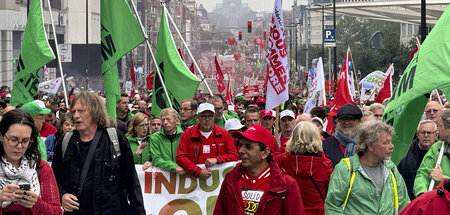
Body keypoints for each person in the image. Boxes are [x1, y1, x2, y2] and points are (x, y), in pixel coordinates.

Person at [52, 92, 145, 214]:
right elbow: (54, 180)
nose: (76, 116)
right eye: (73, 111)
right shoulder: (65, 142)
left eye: (81, 111)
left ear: (94, 111)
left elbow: (132, 184)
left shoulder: (116, 139)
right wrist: (62, 196)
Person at [214, 124, 305, 215]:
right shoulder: (231, 179)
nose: (241, 150)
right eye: (241, 145)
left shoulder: (286, 185)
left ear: (265, 153)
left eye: (248, 147)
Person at [325, 120, 410, 214]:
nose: (392, 146)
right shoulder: (346, 169)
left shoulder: (391, 168)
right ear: (371, 146)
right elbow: (332, 207)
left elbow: (404, 204)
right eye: (386, 142)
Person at [0, 109, 62, 214]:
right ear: (1, 136)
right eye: (13, 140)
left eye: (25, 141)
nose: (19, 146)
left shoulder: (42, 168)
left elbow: (57, 212)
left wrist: (36, 204)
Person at [275, 122, 332, 215]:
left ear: (293, 138)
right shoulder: (325, 164)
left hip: (291, 211)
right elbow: (329, 192)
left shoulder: (282, 160)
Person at [176, 103, 239, 179]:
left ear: (214, 117)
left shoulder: (223, 134)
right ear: (198, 117)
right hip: (193, 181)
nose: (207, 119)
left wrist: (217, 159)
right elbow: (180, 157)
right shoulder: (188, 133)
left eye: (210, 116)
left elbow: (234, 155)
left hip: (217, 181)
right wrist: (197, 171)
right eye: (203, 116)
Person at [397, 120, 438, 200]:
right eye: (423, 132)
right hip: (409, 199)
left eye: (429, 133)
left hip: (434, 199)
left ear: (436, 135)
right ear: (417, 134)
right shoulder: (405, 152)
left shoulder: (442, 152)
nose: (426, 136)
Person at [414, 108, 450, 197]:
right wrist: (422, 195)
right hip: (439, 203)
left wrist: (443, 179)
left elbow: (441, 177)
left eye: (440, 126)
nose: (437, 130)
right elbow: (423, 173)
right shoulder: (437, 147)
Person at [145, 108, 184, 174]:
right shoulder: (155, 137)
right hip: (164, 177)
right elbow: (156, 159)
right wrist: (174, 167)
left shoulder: (184, 136)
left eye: (168, 119)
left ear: (176, 120)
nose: (165, 122)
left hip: (182, 176)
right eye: (163, 120)